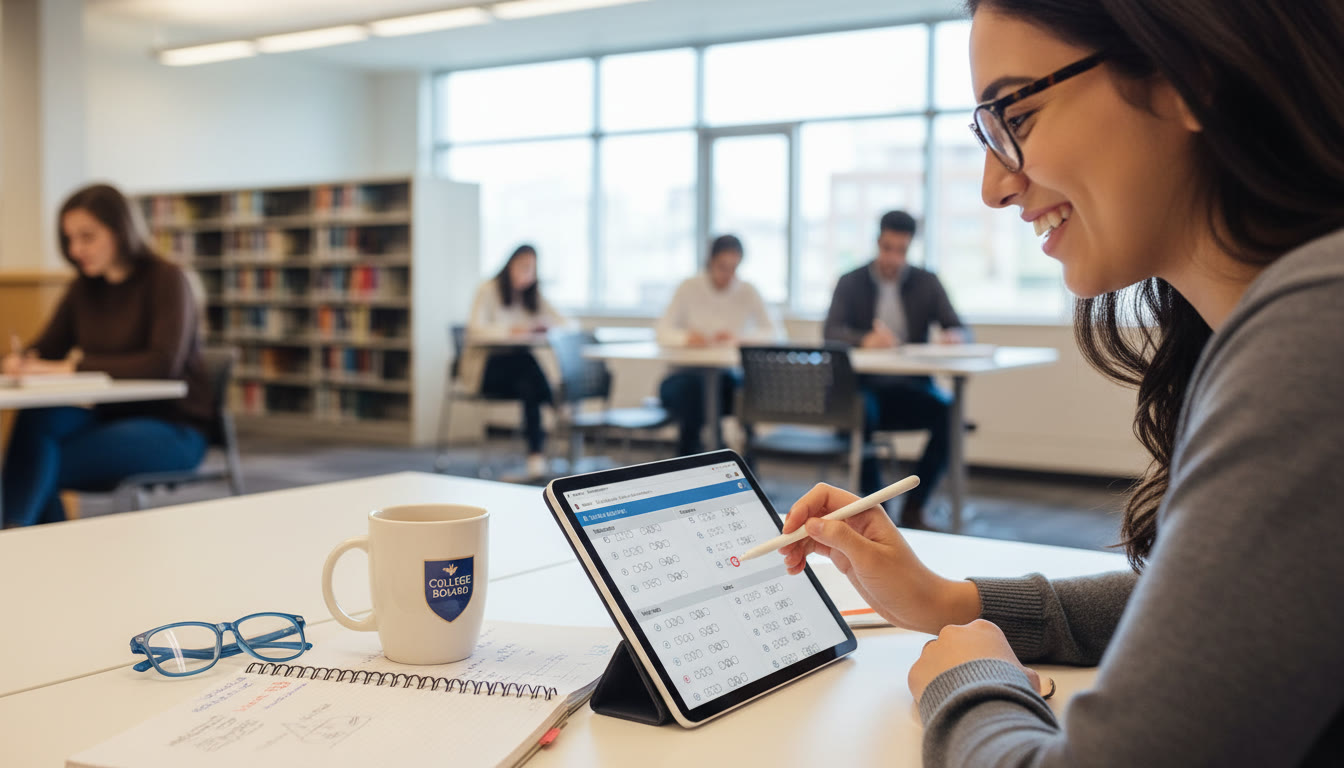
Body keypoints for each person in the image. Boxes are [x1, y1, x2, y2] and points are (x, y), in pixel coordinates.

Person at [782, 1, 1344, 765]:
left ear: (1191, 74)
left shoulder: (1315, 338)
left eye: (1016, 114)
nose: (993, 185)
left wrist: (970, 679)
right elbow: (1222, 613)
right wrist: (952, 602)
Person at [1, 183, 213, 526]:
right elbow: (47, 346)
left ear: (120, 229)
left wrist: (70, 368)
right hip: (109, 417)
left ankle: (14, 545)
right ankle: (24, 545)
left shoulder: (167, 279)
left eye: (87, 236)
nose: (76, 249)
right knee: (37, 421)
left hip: (173, 426)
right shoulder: (84, 288)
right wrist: (21, 360)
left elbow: (162, 364)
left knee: (35, 465)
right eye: (69, 239)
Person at [823, 210, 969, 528]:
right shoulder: (851, 281)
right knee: (863, 413)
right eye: (888, 248)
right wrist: (865, 339)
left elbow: (958, 326)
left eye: (901, 250)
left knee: (950, 414)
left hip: (910, 387)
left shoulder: (926, 282)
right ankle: (880, 514)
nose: (894, 258)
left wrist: (954, 335)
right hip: (865, 388)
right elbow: (831, 331)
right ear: (878, 242)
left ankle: (914, 507)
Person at [657, 235, 781, 456]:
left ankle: (744, 464)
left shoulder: (747, 291)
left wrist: (739, 338)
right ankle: (693, 461)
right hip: (686, 376)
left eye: (734, 268)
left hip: (726, 377)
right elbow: (662, 331)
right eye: (723, 267)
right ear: (711, 261)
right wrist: (687, 338)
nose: (728, 275)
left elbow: (774, 332)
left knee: (745, 392)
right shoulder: (689, 287)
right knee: (693, 395)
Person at [460, 244, 565, 479]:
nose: (526, 273)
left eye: (532, 269)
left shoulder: (532, 295)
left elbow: (566, 323)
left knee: (529, 382)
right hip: (486, 371)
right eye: (523, 267)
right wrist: (512, 331)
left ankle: (535, 456)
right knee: (526, 364)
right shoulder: (488, 290)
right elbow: (475, 330)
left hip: (519, 376)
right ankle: (557, 406)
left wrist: (546, 325)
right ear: (510, 265)